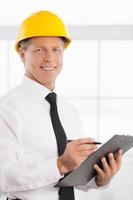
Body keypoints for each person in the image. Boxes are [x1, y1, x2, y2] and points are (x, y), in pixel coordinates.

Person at [0, 10, 122, 200]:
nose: (49, 58)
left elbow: (74, 175)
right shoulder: (7, 109)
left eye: (56, 50)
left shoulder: (68, 111)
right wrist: (59, 165)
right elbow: (3, 176)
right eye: (39, 50)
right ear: (22, 55)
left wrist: (99, 179)